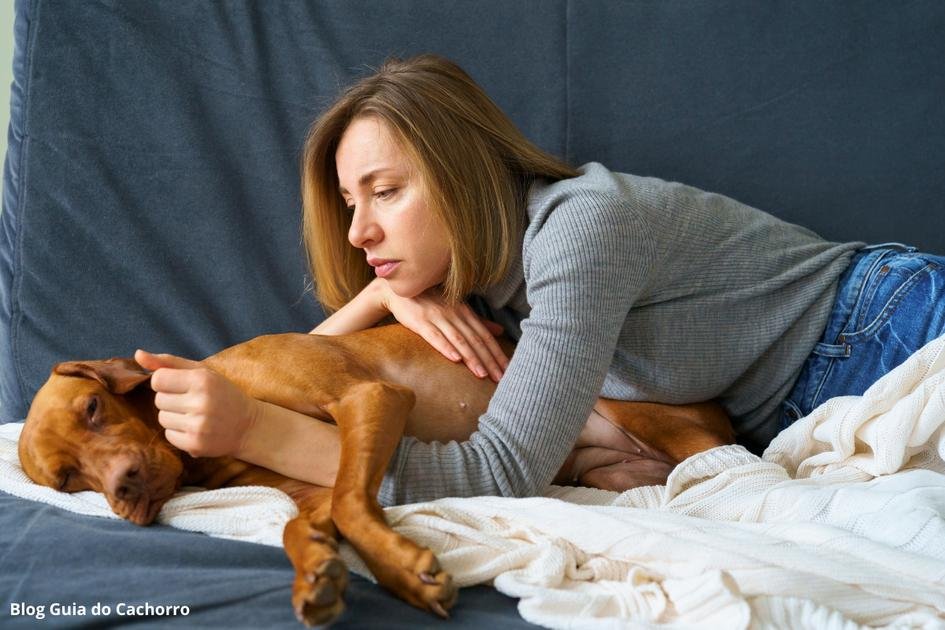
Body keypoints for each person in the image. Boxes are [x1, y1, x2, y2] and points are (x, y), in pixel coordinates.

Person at [135, 55, 945, 506]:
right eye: (349, 203)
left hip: (886, 329)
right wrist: (378, 297)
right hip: (812, 403)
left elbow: (498, 473)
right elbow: (292, 373)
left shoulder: (579, 231)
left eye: (385, 192)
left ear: (462, 172)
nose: (357, 231)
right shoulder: (484, 291)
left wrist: (256, 435)